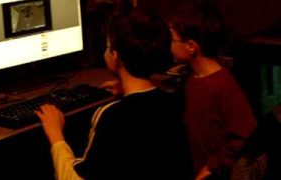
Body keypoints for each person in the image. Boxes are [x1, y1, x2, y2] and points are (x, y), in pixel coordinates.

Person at [35, 10, 193, 179]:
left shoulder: (111, 115)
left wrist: (56, 136)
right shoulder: (172, 101)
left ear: (115, 57)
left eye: (108, 47)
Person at [167, 2, 257, 179]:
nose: (169, 45)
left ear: (191, 46)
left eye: (172, 39)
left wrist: (213, 165)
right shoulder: (192, 80)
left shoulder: (223, 85)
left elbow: (247, 135)